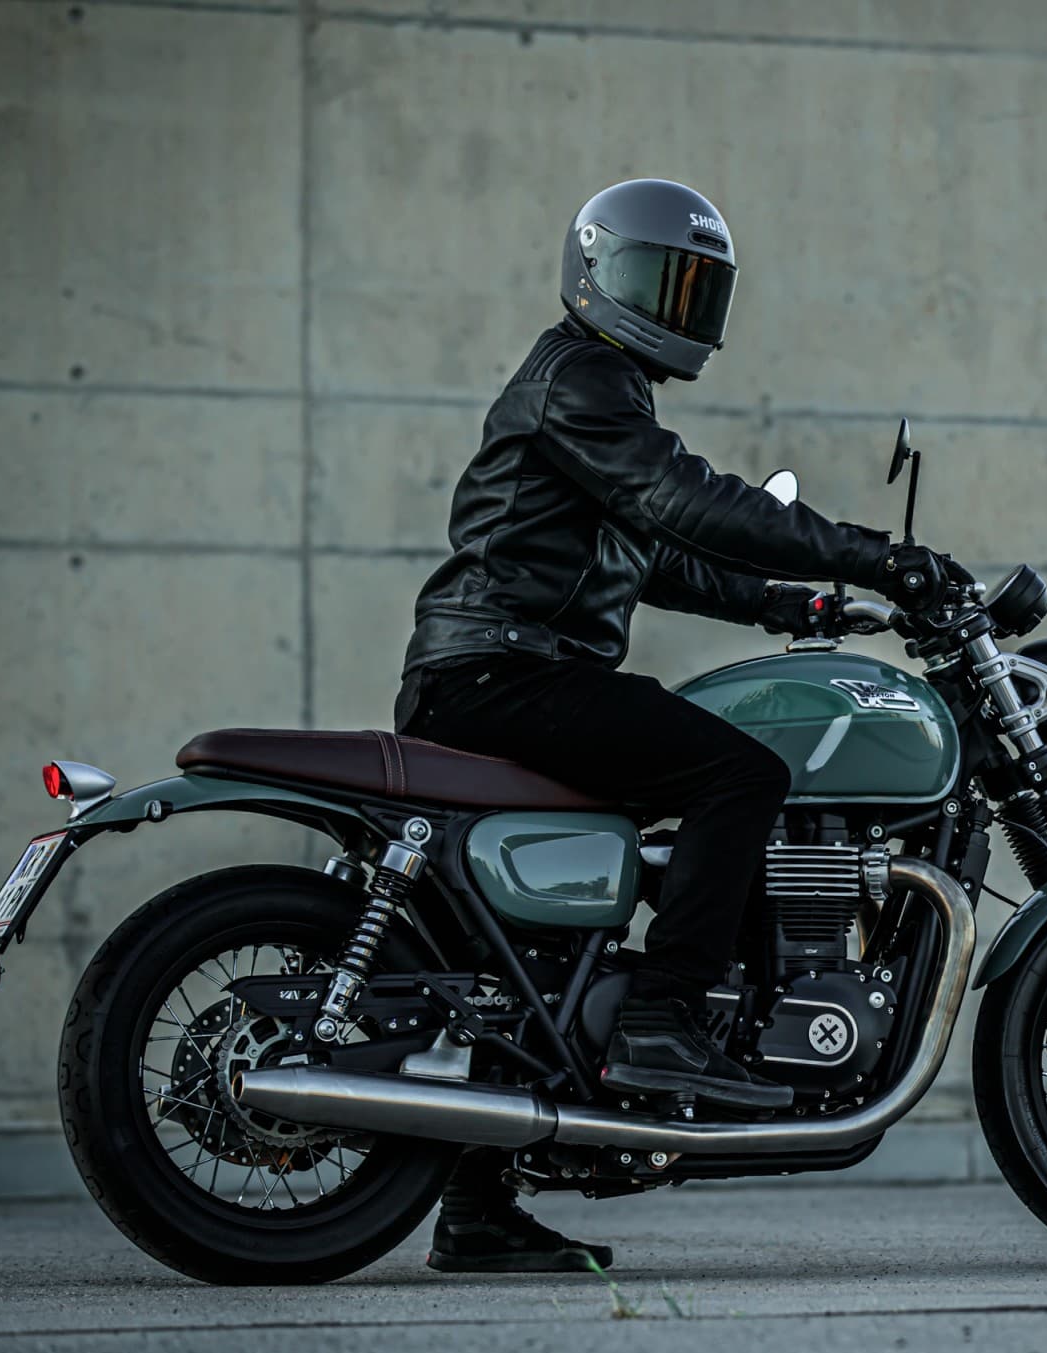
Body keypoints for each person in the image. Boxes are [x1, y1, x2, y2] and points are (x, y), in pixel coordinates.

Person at [396, 179, 966, 1273]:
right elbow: (683, 500)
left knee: (537, 945)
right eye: (661, 278)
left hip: (503, 671)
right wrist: (868, 552)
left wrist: (794, 603)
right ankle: (663, 1024)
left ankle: (475, 1206)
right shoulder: (581, 379)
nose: (679, 304)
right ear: (595, 273)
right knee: (738, 777)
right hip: (500, 672)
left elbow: (658, 555)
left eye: (696, 286)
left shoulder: (600, 391)